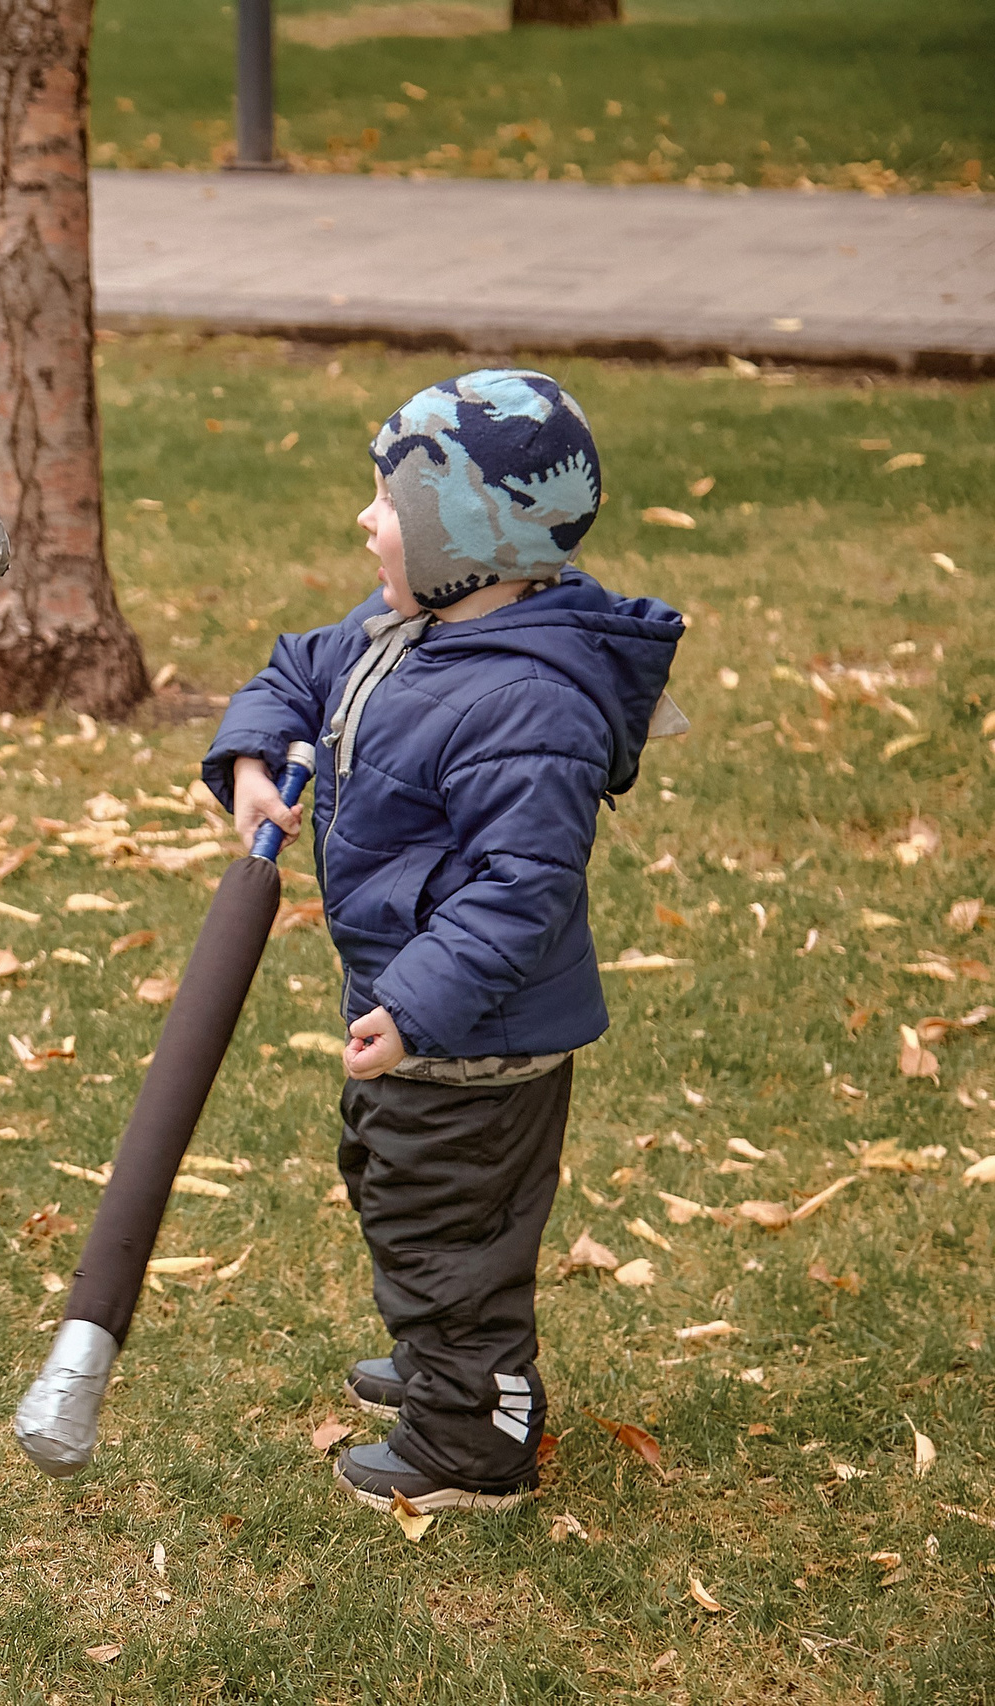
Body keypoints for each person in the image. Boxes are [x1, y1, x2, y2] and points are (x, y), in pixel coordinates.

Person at [203, 369, 683, 1514]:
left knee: (446, 1229)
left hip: (473, 1033)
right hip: (416, 1012)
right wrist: (253, 755)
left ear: (465, 533)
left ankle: (475, 1432)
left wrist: (417, 1003)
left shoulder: (530, 702)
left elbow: (519, 891)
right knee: (390, 1184)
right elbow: (293, 667)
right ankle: (445, 1366)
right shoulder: (404, 630)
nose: (366, 522)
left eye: (388, 504)